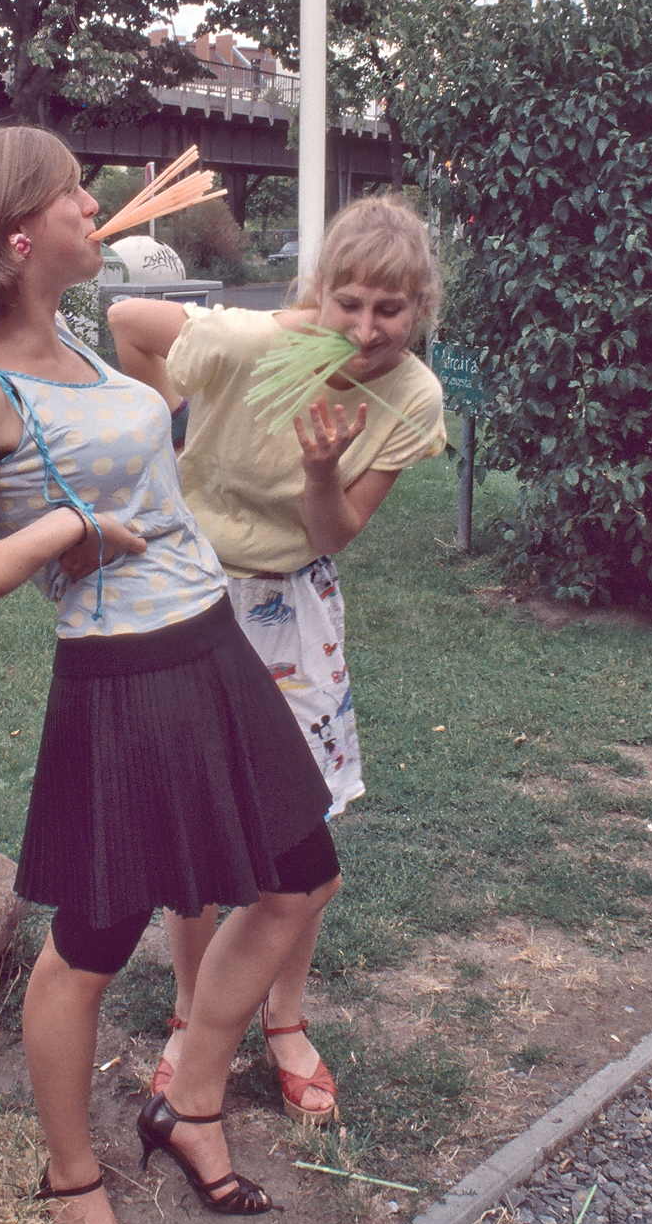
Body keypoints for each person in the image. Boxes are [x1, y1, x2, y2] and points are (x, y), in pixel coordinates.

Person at [0, 126, 341, 1224]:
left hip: (210, 646)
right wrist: (57, 535)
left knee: (299, 877)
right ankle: (70, 1178)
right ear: (19, 235)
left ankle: (188, 1100)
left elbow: (162, 434)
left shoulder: (82, 343)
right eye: (76, 199)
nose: (101, 209)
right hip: (122, 680)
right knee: (91, 946)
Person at [107, 195, 445, 1124]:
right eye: (349, 304)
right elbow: (127, 320)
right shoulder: (250, 342)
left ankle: (283, 1021)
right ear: (318, 294)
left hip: (293, 607)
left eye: (391, 309)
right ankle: (189, 1010)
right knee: (197, 816)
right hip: (194, 595)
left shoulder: (411, 395)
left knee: (301, 824)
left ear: (420, 307)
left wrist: (319, 473)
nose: (368, 329)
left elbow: (338, 529)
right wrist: (167, 424)